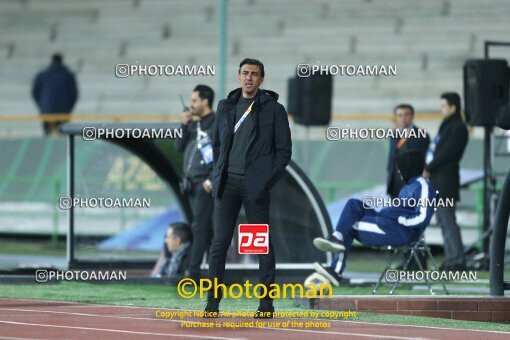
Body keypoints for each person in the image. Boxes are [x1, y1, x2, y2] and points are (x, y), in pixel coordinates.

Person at [205, 58, 292, 318]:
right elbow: (218, 145)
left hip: (255, 187)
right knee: (219, 244)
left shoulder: (274, 109)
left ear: (261, 79)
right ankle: (212, 304)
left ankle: (266, 306)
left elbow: (284, 152)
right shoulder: (225, 106)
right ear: (238, 76)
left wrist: (265, 181)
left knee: (260, 246)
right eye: (245, 73)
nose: (249, 78)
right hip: (227, 185)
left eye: (254, 74)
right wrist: (218, 173)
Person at [313, 150, 436, 286]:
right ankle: (336, 237)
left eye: (400, 169)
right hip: (386, 222)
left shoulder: (423, 187)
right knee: (353, 204)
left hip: (399, 231)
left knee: (349, 226)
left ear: (409, 167)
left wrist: (403, 221)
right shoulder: (407, 187)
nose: (399, 173)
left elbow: (423, 217)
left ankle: (335, 270)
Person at [175, 85, 216, 281]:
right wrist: (183, 125)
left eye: (194, 101)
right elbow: (179, 147)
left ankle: (193, 271)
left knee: (199, 227)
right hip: (190, 184)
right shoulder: (193, 125)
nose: (191, 105)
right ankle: (213, 269)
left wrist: (211, 180)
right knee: (204, 228)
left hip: (204, 184)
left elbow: (223, 154)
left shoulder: (216, 123)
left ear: (205, 101)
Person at [423, 92, 468, 271]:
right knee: (443, 222)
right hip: (438, 180)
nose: (441, 109)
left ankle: (457, 261)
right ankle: (451, 259)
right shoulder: (447, 126)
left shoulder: (458, 127)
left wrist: (428, 167)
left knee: (448, 221)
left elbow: (448, 153)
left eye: (443, 105)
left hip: (446, 181)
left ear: (453, 107)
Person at [387, 104, 430, 270]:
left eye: (406, 115)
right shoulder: (394, 135)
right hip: (396, 187)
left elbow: (423, 161)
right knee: (400, 224)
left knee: (415, 222)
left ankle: (418, 262)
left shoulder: (421, 136)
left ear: (412, 116)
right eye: (399, 115)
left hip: (412, 187)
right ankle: (406, 260)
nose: (403, 118)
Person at [32, 53, 78, 136]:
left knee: (48, 134)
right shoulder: (68, 75)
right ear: (61, 61)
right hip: (63, 111)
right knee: (63, 135)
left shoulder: (42, 75)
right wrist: (68, 107)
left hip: (47, 111)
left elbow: (35, 93)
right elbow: (73, 94)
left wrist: (43, 106)